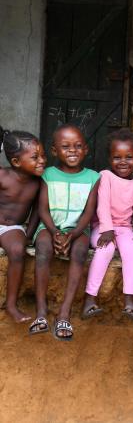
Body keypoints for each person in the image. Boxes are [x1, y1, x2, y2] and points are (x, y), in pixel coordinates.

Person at [31, 124, 100, 340]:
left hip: (78, 229)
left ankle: (64, 313)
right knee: (42, 248)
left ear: (86, 150)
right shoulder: (48, 175)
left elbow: (89, 213)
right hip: (49, 226)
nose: (72, 150)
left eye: (78, 146)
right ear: (54, 151)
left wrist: (73, 234)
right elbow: (42, 208)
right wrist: (54, 232)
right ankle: (41, 312)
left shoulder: (93, 177)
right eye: (66, 146)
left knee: (80, 252)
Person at [82, 129, 133, 320]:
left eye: (129, 157)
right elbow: (102, 204)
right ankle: (89, 299)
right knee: (105, 249)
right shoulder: (105, 176)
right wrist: (107, 229)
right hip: (102, 227)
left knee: (132, 250)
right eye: (117, 157)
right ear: (109, 159)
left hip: (125, 229)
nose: (123, 161)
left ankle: (129, 301)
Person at [0, 128, 46, 323]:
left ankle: (11, 304)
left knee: (18, 250)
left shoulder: (38, 182)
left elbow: (37, 211)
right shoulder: (2, 176)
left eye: (43, 155)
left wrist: (29, 234)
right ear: (16, 162)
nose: (42, 160)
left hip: (12, 229)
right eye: (35, 157)